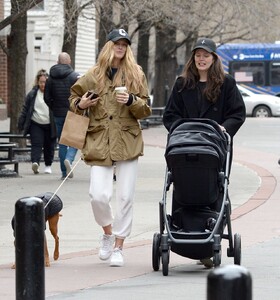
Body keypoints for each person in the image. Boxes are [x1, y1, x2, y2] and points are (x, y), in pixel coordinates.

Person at [69, 28, 152, 267]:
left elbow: (145, 108)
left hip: (127, 139)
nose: (121, 47)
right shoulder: (94, 74)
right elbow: (74, 98)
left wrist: (132, 101)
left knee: (125, 197)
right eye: (117, 43)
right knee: (98, 195)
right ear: (109, 46)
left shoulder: (135, 73)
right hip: (99, 140)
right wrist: (81, 103)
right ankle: (107, 232)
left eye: (125, 44)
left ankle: (119, 245)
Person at [163, 37, 246, 267]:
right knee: (183, 186)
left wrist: (223, 128)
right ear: (193, 58)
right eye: (198, 55)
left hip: (215, 148)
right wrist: (181, 129)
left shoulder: (226, 83)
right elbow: (170, 116)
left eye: (206, 55)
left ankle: (209, 239)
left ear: (214, 58)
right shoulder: (182, 84)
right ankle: (184, 232)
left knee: (215, 187)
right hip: (186, 147)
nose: (201, 59)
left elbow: (237, 113)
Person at [44, 52, 80, 179]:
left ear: (58, 61)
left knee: (63, 142)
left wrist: (54, 107)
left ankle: (64, 173)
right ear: (69, 61)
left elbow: (47, 97)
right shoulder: (74, 76)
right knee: (76, 139)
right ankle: (69, 160)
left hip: (58, 114)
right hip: (73, 112)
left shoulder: (50, 78)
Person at [18, 69, 57, 174]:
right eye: (41, 82)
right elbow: (25, 109)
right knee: (36, 144)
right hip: (36, 123)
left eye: (45, 82)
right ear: (38, 82)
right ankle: (35, 163)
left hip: (50, 124)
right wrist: (21, 122)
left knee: (49, 146)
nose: (43, 84)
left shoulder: (52, 93)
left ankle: (48, 165)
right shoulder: (32, 94)